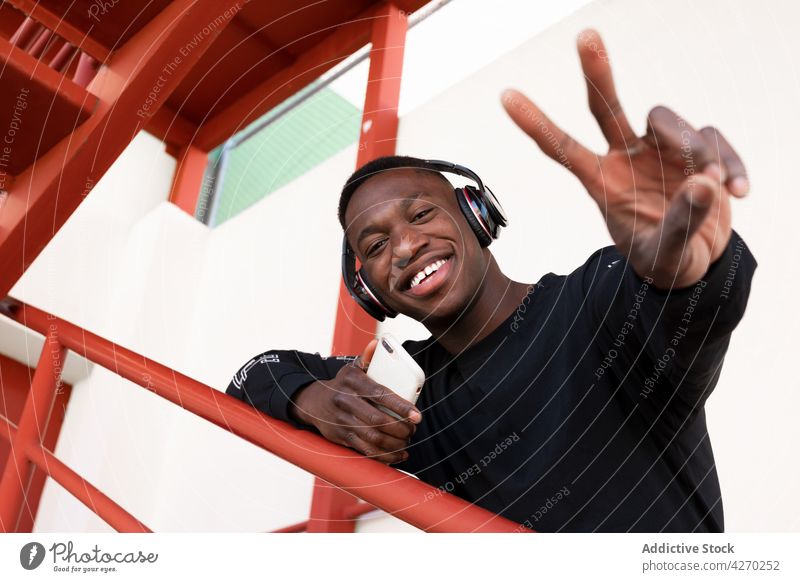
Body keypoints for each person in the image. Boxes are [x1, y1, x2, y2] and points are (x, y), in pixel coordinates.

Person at [225, 30, 757, 532]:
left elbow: (692, 302)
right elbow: (253, 378)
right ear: (370, 291)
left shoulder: (597, 300)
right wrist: (312, 399)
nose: (405, 247)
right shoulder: (404, 401)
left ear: (476, 215)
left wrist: (689, 261)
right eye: (377, 245)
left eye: (420, 215)